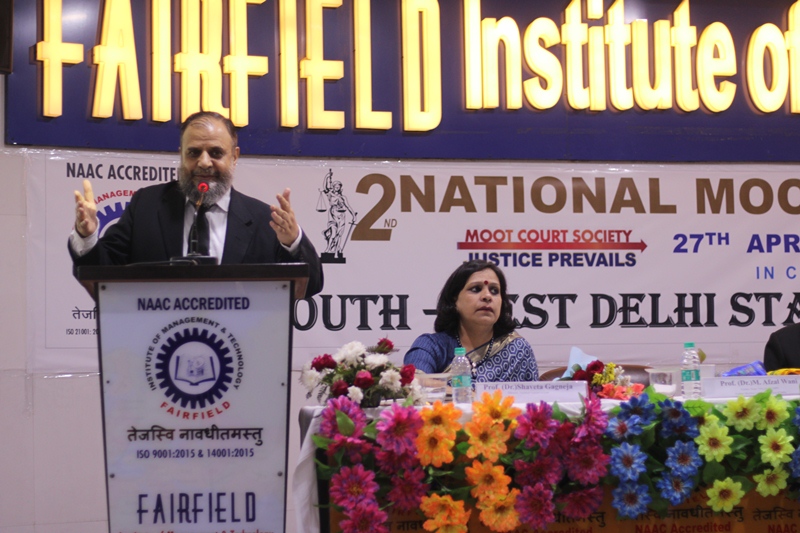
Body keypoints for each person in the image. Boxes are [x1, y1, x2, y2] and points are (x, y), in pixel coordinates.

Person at [69, 111, 323, 297]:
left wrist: (293, 242)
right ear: (181, 155)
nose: (203, 162)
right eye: (193, 152)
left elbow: (310, 285)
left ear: (234, 157)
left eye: (216, 152)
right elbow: (103, 274)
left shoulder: (262, 219)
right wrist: (87, 236)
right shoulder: (146, 206)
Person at [404, 260, 538, 381]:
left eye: (494, 290)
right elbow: (413, 384)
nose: (487, 296)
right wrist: (473, 396)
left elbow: (535, 397)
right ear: (454, 299)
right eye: (476, 289)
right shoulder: (432, 346)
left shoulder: (518, 349)